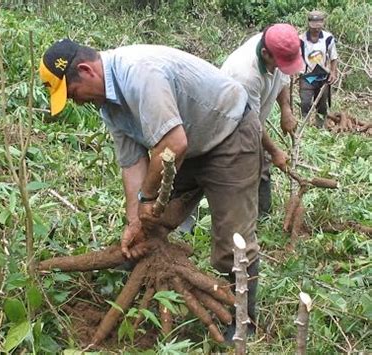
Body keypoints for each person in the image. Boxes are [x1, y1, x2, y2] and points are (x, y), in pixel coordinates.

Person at [39, 38, 296, 342]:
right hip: (185, 148)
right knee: (151, 224)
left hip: (230, 137)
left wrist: (147, 198)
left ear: (86, 70)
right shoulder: (108, 104)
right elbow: (133, 164)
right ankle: (140, 278)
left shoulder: (139, 74)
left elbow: (174, 144)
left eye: (72, 93)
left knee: (233, 241)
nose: (75, 102)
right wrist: (135, 220)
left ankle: (244, 321)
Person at [221, 23, 304, 217]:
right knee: (241, 169)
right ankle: (237, 220)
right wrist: (275, 151)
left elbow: (282, 78)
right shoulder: (244, 74)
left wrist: (286, 109)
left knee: (262, 163)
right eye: (279, 63)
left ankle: (263, 216)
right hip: (230, 125)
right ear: (266, 54)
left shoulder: (278, 48)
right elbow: (252, 122)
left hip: (252, 122)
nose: (282, 68)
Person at [299, 10, 338, 128]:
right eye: (314, 27)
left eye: (318, 26)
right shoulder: (301, 39)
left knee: (322, 105)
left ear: (323, 23)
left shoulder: (328, 38)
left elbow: (333, 57)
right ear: (309, 24)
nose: (316, 29)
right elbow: (296, 57)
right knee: (305, 103)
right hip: (307, 76)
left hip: (322, 76)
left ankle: (320, 128)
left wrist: (333, 72)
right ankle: (303, 128)